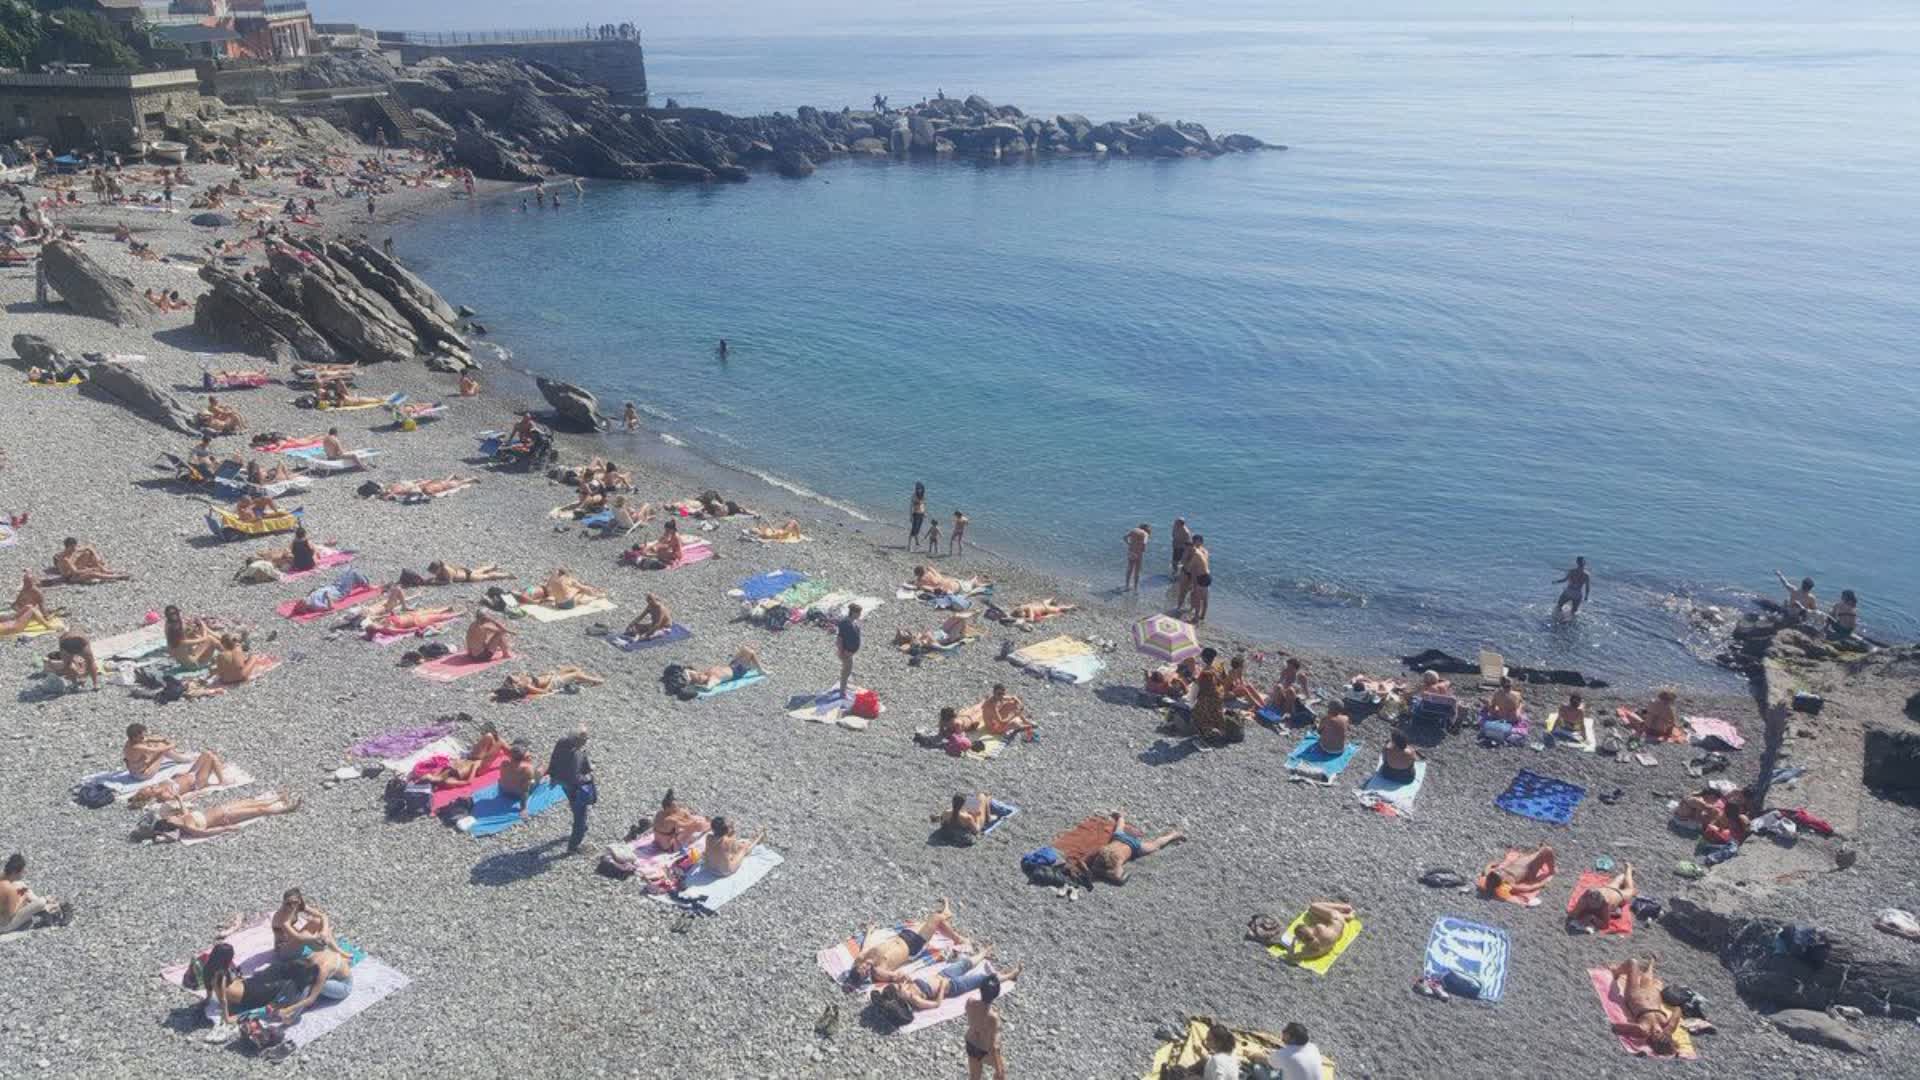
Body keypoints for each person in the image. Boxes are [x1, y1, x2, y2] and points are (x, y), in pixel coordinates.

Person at [873, 952, 1019, 1025]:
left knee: (965, 963)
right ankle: (1010, 975)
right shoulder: (915, 1000)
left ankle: (984, 952)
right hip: (954, 986)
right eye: (899, 987)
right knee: (983, 979)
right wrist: (943, 987)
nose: (900, 985)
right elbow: (936, 1004)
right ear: (901, 997)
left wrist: (907, 980)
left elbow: (902, 980)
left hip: (943, 974)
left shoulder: (906, 988)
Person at [848, 899, 970, 986]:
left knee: (931, 922)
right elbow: (897, 976)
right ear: (866, 977)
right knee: (937, 918)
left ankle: (947, 913)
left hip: (903, 935)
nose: (866, 967)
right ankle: (958, 939)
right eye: (865, 972)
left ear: (858, 965)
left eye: (862, 967)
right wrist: (903, 978)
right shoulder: (878, 971)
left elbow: (866, 944)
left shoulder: (863, 956)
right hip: (913, 946)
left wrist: (869, 931)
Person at [133, 791, 301, 842]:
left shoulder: (182, 818)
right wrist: (227, 828)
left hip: (222, 808)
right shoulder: (187, 827)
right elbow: (207, 833)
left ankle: (278, 799)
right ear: (170, 824)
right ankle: (286, 810)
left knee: (251, 800)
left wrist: (179, 799)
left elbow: (184, 811)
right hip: (226, 817)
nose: (171, 817)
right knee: (258, 811)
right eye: (169, 819)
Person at [1606, 956, 1682, 1055]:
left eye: (1656, 1037)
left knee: (1633, 962)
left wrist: (1635, 1031)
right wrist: (1670, 1026)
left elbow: (1615, 1027)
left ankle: (1616, 971)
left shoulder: (1644, 1029)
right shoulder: (1667, 1025)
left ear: (1652, 1041)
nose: (1657, 1032)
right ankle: (1651, 962)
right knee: (1648, 978)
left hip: (1635, 994)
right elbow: (1678, 1009)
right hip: (1651, 993)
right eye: (1661, 1034)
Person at [1089, 812, 1185, 883]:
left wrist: (1105, 873)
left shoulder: (1115, 860)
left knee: (1154, 846)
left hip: (1134, 846)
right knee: (1120, 828)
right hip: (1120, 838)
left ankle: (1173, 835)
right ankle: (1121, 817)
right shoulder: (1109, 854)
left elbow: (1119, 878)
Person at [549, 726, 595, 854]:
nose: (586, 741)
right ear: (578, 740)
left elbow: (553, 758)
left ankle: (580, 826)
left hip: (560, 780)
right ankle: (573, 846)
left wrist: (553, 775)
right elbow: (575, 778)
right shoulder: (576, 754)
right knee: (580, 816)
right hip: (574, 787)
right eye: (585, 738)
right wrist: (588, 777)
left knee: (574, 804)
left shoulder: (562, 742)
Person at [127, 751, 231, 808]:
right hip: (196, 782)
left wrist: (177, 776)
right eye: (151, 789)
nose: (152, 786)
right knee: (210, 757)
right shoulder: (164, 795)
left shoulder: (159, 786)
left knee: (206, 753)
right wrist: (198, 792)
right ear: (152, 797)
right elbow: (182, 798)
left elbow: (174, 781)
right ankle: (222, 781)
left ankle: (217, 768)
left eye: (149, 787)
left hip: (189, 774)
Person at [962, 964, 1010, 1080]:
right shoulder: (992, 1017)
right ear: (996, 994)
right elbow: (993, 1045)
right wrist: (998, 1068)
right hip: (984, 1048)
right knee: (1001, 1072)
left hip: (971, 1042)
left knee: (974, 1077)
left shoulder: (970, 1002)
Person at [418, 725, 506, 785]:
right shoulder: (447, 781)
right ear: (430, 781)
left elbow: (445, 766)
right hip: (479, 767)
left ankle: (498, 752)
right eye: (425, 777)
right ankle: (516, 758)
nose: (425, 775)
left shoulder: (436, 774)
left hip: (470, 759)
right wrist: (474, 768)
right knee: (500, 742)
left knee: (489, 736)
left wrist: (455, 762)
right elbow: (468, 782)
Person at [0, 854, 62, 934]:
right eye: (23, 871)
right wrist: (22, 899)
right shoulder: (10, 890)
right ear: (15, 872)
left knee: (21, 886)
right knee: (41, 902)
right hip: (4, 925)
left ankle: (45, 906)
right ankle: (47, 906)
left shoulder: (3, 877)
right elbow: (10, 915)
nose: (25, 872)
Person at [271, 887, 338, 960]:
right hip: (284, 951)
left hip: (295, 944)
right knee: (305, 935)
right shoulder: (282, 917)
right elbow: (298, 937)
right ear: (284, 902)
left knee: (317, 921)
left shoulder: (298, 907)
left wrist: (324, 931)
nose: (292, 906)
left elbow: (323, 916)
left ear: (299, 900)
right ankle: (326, 948)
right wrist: (316, 937)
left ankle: (333, 949)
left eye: (295, 902)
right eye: (288, 903)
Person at [1280, 901, 1356, 963]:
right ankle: (1345, 908)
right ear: (1308, 928)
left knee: (1316, 917)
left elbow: (1291, 956)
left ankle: (1348, 916)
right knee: (1313, 906)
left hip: (1336, 936)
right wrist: (1314, 919)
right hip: (1338, 920)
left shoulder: (1312, 950)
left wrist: (1293, 942)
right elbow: (1318, 922)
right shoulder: (1319, 928)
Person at [1570, 863, 1636, 931]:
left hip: (1618, 894)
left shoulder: (1605, 904)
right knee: (1617, 882)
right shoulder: (1586, 896)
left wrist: (1593, 918)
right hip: (1609, 888)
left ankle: (1629, 870)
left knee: (1630, 890)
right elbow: (1573, 914)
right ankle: (1627, 873)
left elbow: (1605, 925)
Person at [1481, 845, 1556, 903]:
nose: (1499, 871)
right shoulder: (1509, 883)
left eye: (1497, 871)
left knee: (1541, 852)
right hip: (1529, 869)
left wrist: (1494, 864)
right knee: (1547, 850)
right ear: (1501, 880)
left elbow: (1487, 868)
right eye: (1499, 873)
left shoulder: (1493, 874)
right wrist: (1543, 883)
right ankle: (1552, 870)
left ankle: (1539, 850)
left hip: (1520, 863)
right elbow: (1528, 888)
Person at [124, 723, 193, 779]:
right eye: (141, 737)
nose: (143, 738)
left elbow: (148, 739)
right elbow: (158, 750)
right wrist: (172, 745)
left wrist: (162, 740)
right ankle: (184, 759)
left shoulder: (129, 742)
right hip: (143, 774)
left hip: (133, 772)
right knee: (163, 750)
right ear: (134, 737)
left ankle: (178, 756)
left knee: (158, 744)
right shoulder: (137, 747)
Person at [496, 665, 606, 701]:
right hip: (554, 682)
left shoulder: (521, 680)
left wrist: (549, 674)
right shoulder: (528, 686)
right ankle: (596, 681)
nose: (514, 677)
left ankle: (584, 680)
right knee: (576, 674)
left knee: (573, 667)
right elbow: (545, 691)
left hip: (550, 676)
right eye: (513, 680)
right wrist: (551, 679)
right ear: (515, 686)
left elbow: (524, 674)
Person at [50, 538, 131, 584]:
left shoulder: (73, 551)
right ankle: (117, 577)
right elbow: (76, 572)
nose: (74, 549)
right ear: (67, 547)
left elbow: (89, 546)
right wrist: (89, 569)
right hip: (71, 577)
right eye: (72, 548)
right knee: (93, 574)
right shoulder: (65, 559)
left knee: (87, 553)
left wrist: (96, 556)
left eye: (75, 547)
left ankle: (107, 571)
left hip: (76, 570)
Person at [684, 646, 762, 688]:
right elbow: (708, 688)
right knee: (751, 653)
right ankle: (761, 671)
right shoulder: (713, 679)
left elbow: (686, 671)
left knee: (745, 649)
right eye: (700, 677)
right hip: (738, 671)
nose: (700, 675)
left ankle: (752, 666)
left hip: (732, 665)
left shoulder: (705, 674)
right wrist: (698, 686)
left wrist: (689, 679)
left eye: (699, 675)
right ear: (702, 682)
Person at [1184, 536, 1213, 623]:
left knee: (1197, 599)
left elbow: (1189, 568)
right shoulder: (1202, 551)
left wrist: (1184, 563)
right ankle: (1202, 616)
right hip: (1207, 576)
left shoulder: (1196, 554)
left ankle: (1196, 618)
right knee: (1204, 598)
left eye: (1188, 549)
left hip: (1201, 578)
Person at [837, 603, 863, 697]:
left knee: (848, 670)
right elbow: (839, 639)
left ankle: (844, 688)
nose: (860, 615)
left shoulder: (853, 622)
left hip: (850, 652)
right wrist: (841, 652)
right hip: (846, 652)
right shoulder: (845, 623)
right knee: (846, 672)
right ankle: (842, 693)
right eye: (859, 613)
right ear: (853, 613)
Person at [426, 560, 511, 585]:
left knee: (487, 576)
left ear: (439, 568)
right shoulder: (444, 567)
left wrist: (436, 582)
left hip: (468, 577)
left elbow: (449, 582)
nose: (433, 573)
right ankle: (493, 566)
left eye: (434, 572)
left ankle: (506, 575)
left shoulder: (447, 571)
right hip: (463, 572)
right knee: (480, 570)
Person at [1123, 523, 1151, 590]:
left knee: (1129, 569)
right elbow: (1144, 543)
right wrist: (1143, 549)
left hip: (1131, 551)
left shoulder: (1133, 530)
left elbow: (1124, 537)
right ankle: (1135, 587)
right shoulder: (1145, 533)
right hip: (1138, 553)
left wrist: (1129, 543)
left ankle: (1127, 585)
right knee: (1137, 571)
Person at [1004, 598, 1075, 622]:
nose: (1023, 616)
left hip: (1045, 609)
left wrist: (1022, 619)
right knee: (1045, 604)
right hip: (1041, 607)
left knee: (1058, 609)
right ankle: (1051, 600)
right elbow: (1011, 613)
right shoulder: (1021, 608)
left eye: (1022, 615)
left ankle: (1071, 607)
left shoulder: (1028, 608)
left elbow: (1031, 619)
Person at [909, 482, 927, 551]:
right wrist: (910, 516)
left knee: (918, 529)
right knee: (913, 530)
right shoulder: (914, 496)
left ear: (922, 489)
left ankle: (917, 543)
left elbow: (923, 504)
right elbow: (911, 506)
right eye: (918, 488)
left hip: (921, 514)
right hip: (915, 514)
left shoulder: (923, 496)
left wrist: (924, 513)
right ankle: (909, 545)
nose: (919, 490)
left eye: (920, 488)